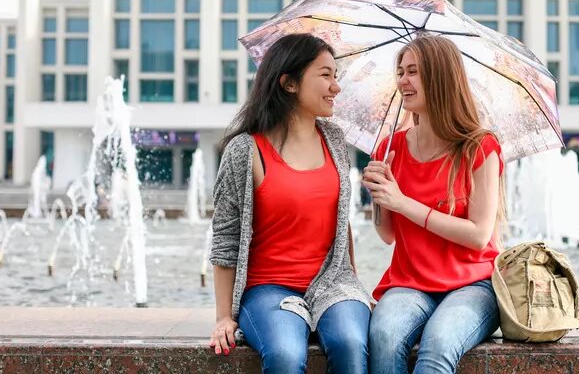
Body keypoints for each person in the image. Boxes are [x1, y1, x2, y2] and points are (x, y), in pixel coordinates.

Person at [209, 33, 372, 373]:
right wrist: (224, 317)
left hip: (333, 284)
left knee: (350, 343)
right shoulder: (245, 150)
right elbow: (225, 239)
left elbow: (341, 223)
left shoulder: (334, 140)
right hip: (268, 288)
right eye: (325, 75)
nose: (336, 87)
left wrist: (354, 286)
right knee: (284, 353)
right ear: (289, 83)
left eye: (336, 76)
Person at [362, 36, 504, 374]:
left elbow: (479, 235)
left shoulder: (480, 147)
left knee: (439, 344)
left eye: (413, 71)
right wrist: (379, 196)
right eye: (400, 71)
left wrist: (403, 202)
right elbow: (387, 235)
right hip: (409, 282)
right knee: (383, 337)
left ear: (440, 77)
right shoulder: (390, 147)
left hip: (473, 284)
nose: (403, 80)